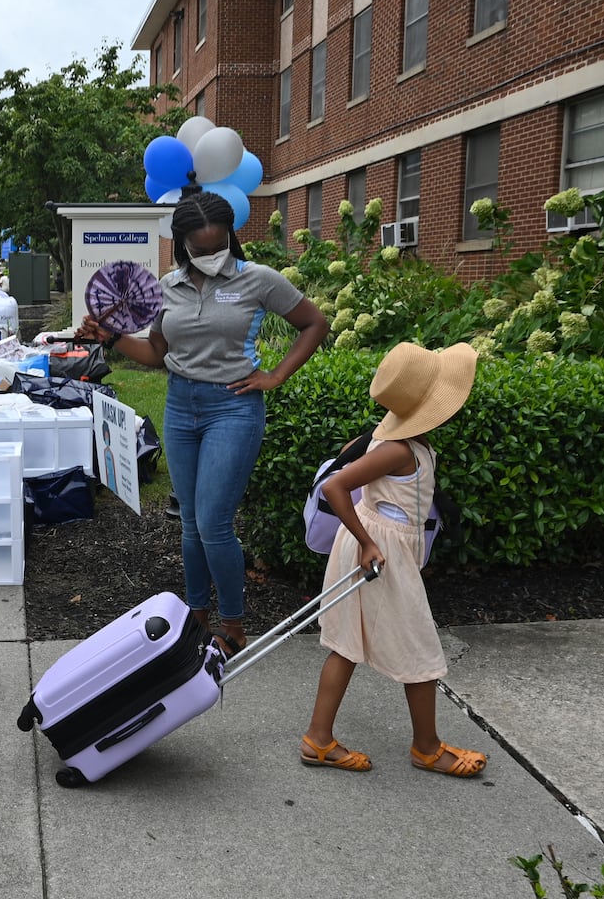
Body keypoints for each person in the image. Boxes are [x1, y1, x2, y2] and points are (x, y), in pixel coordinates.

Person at [78, 191, 328, 657]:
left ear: (231, 237)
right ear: (181, 244)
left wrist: (276, 375)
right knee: (190, 523)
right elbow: (155, 353)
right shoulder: (167, 287)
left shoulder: (258, 279)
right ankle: (196, 616)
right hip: (181, 405)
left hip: (233, 407)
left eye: (219, 246)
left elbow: (315, 322)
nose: (211, 255)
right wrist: (111, 337)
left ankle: (232, 625)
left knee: (213, 522)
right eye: (200, 248)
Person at [299, 341, 488, 779]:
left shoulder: (398, 439)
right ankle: (426, 748)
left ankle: (318, 738)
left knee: (346, 644)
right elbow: (335, 487)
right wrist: (366, 542)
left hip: (374, 545)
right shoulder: (398, 449)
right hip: (378, 551)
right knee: (420, 646)